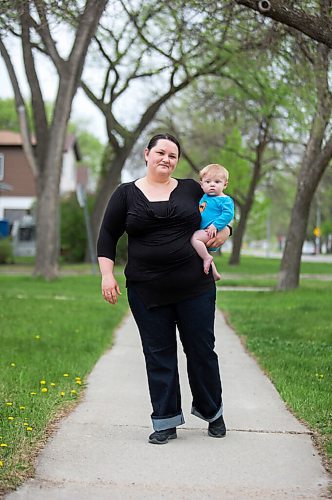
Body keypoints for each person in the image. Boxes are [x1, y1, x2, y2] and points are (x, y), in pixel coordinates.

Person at [97, 133, 231, 445]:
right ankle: (165, 420)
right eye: (160, 152)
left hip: (195, 286)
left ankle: (213, 413)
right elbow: (107, 234)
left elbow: (221, 209)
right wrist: (107, 275)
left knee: (201, 350)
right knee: (158, 354)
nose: (166, 159)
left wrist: (225, 231)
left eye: (172, 155)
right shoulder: (126, 194)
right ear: (146, 154)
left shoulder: (190, 189)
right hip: (146, 289)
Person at [191, 164, 234, 281]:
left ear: (225, 184)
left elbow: (228, 214)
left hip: (211, 230)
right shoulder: (204, 197)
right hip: (204, 230)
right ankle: (214, 273)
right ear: (202, 184)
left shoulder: (225, 200)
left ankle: (206, 258)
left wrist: (216, 225)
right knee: (202, 250)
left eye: (217, 182)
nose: (212, 185)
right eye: (208, 181)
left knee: (195, 238)